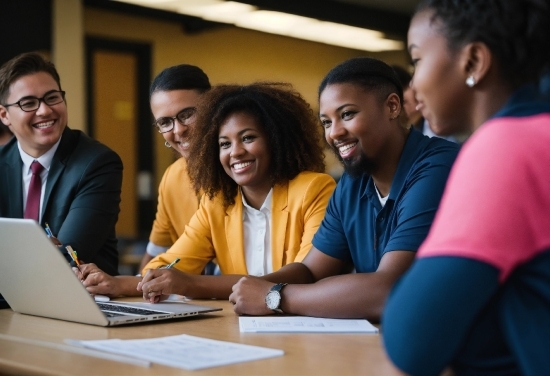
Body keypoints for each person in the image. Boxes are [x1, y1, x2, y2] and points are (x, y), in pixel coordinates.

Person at [382, 1, 550, 375]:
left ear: (473, 62)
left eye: (417, 60)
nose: (413, 85)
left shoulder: (506, 146)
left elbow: (411, 341)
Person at [229, 57, 459, 320]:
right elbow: (311, 271)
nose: (334, 133)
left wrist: (274, 296)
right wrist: (255, 288)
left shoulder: (437, 167)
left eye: (347, 114)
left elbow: (388, 291)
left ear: (392, 106)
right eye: (326, 122)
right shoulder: (352, 182)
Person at [77, 82, 336, 301]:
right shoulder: (216, 204)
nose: (235, 152)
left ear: (276, 140)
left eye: (248, 138)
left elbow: (302, 274)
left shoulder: (314, 188)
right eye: (224, 144)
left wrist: (191, 284)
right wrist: (115, 284)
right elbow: (170, 263)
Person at [0, 52, 122, 276]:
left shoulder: (97, 163)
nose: (45, 110)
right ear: (4, 115)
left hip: (82, 304)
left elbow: (66, 262)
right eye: (28, 103)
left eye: (52, 97)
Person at [138, 64, 211, 272]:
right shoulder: (173, 177)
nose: (178, 130)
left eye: (187, 114)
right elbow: (157, 251)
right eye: (165, 122)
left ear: (212, 105)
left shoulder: (241, 171)